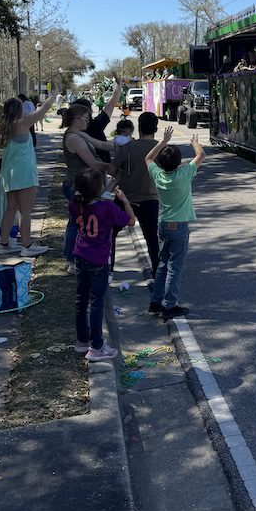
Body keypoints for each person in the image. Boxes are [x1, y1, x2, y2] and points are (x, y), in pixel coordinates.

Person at [69, 168, 134, 361]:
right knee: (96, 302)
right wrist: (124, 200)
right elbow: (131, 221)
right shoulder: (106, 207)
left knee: (81, 300)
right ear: (98, 189)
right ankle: (96, 346)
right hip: (98, 258)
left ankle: (82, 340)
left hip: (80, 254)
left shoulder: (74, 205)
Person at [0, 94, 55, 256]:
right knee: (25, 211)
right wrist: (54, 95)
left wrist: (5, 153)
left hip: (8, 173)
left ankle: (4, 243)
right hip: (25, 173)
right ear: (18, 110)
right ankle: (27, 246)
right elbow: (43, 110)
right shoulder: (23, 123)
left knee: (11, 209)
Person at [145, 128, 205, 320]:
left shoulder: (158, 175)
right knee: (175, 267)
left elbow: (148, 158)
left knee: (163, 264)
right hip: (179, 226)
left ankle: (156, 301)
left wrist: (163, 141)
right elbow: (201, 155)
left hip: (163, 224)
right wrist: (194, 142)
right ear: (179, 162)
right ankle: (169, 305)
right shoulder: (185, 174)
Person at [59, 104, 116, 269]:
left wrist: (124, 144)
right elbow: (92, 163)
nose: (88, 121)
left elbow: (101, 144)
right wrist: (112, 167)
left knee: (78, 222)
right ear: (76, 119)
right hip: (75, 185)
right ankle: (71, 261)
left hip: (82, 184)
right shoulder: (73, 139)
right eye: (86, 118)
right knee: (75, 223)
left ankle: (76, 257)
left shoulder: (80, 134)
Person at [111, 111, 161, 296]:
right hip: (150, 199)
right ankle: (157, 272)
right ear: (155, 128)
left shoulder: (128, 148)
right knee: (152, 238)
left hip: (125, 199)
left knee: (111, 233)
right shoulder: (160, 148)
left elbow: (113, 169)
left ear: (138, 128)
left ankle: (109, 268)